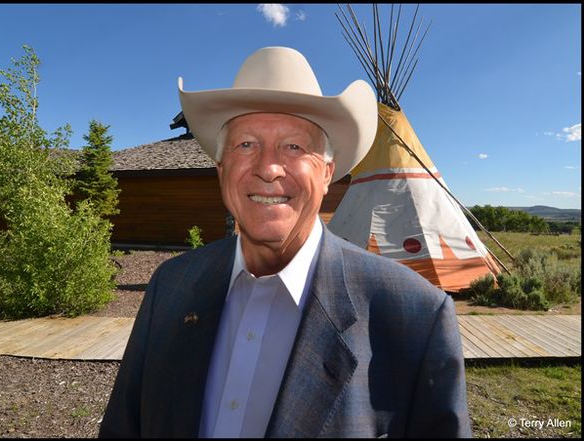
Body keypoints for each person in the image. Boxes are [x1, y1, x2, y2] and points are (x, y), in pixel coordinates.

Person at [99, 47, 472, 438]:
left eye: (294, 146)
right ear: (221, 168)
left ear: (327, 173)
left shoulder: (414, 317)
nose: (267, 168)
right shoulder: (170, 288)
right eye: (246, 145)